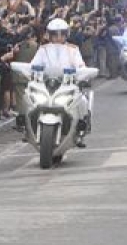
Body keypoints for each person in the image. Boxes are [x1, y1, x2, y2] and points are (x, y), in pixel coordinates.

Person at [30, 18, 91, 148]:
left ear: (66, 34)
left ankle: (80, 131)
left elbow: (81, 66)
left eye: (62, 34)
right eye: (55, 34)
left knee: (82, 101)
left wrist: (84, 75)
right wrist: (29, 74)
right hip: (47, 85)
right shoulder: (43, 50)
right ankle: (26, 128)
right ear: (49, 35)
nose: (58, 37)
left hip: (68, 85)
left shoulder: (73, 49)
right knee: (29, 98)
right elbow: (33, 66)